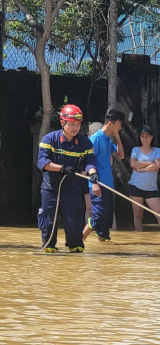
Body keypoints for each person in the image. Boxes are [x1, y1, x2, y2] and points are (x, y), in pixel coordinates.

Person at [37, 104, 100, 253]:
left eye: (78, 125)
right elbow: (42, 162)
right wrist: (61, 168)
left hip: (72, 189)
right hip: (51, 188)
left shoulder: (85, 143)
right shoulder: (49, 139)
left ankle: (75, 251)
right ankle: (49, 246)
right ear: (62, 123)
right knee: (49, 222)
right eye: (72, 124)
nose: (75, 128)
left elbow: (90, 161)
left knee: (75, 225)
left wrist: (93, 174)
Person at [82, 109, 125, 242]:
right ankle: (79, 239)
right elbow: (88, 161)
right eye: (118, 124)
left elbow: (121, 156)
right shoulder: (95, 139)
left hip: (108, 183)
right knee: (98, 217)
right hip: (97, 184)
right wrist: (94, 182)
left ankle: (103, 249)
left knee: (106, 220)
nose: (120, 127)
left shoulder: (107, 139)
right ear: (110, 123)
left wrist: (117, 136)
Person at [128, 125, 160, 232]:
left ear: (152, 137)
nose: (145, 139)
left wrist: (142, 169)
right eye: (142, 136)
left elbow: (158, 165)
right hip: (136, 186)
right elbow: (133, 163)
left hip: (151, 188)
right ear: (140, 137)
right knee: (137, 214)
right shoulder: (135, 150)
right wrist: (150, 163)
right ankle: (139, 237)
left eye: (147, 136)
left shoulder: (157, 150)